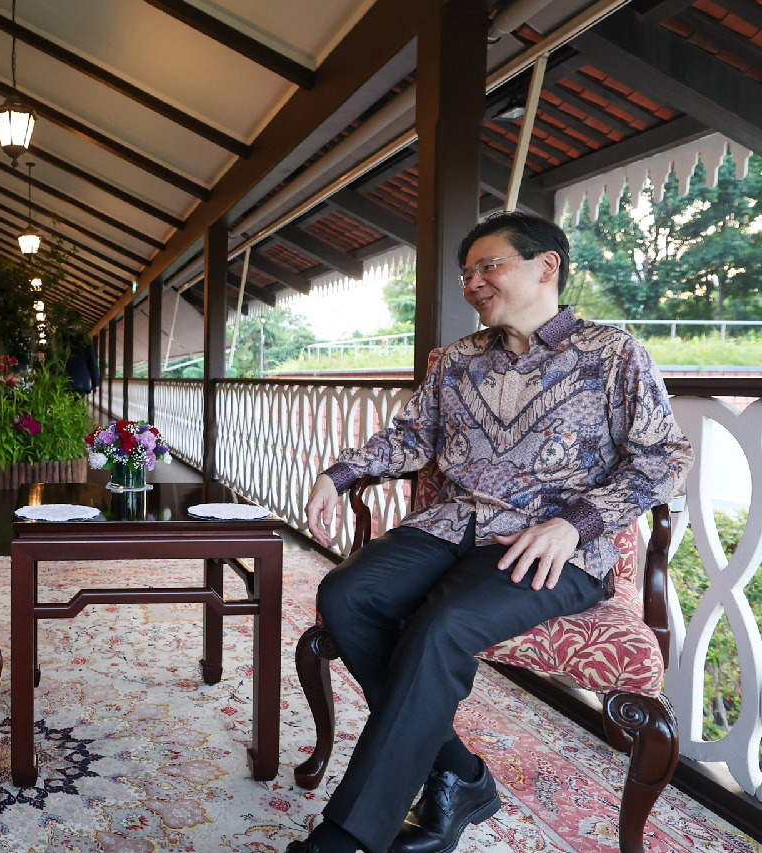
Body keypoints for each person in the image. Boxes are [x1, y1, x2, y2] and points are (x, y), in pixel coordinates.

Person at [292, 212, 692, 853]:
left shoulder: (613, 353)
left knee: (441, 625)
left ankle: (346, 838)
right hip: (449, 525)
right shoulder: (455, 362)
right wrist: (338, 474)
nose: (473, 282)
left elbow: (664, 458)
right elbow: (410, 437)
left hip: (546, 546)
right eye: (466, 272)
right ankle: (459, 770)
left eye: (489, 266)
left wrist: (577, 523)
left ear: (547, 266)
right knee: (345, 594)